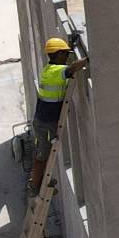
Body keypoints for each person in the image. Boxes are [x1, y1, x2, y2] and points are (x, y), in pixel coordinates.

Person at [28, 37, 89, 192]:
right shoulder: (56, 72)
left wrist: (71, 44)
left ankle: (39, 182)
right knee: (43, 153)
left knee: (44, 152)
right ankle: (35, 186)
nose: (67, 57)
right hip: (45, 122)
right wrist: (89, 57)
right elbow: (72, 68)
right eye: (65, 53)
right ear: (57, 54)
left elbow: (66, 65)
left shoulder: (49, 69)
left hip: (44, 119)